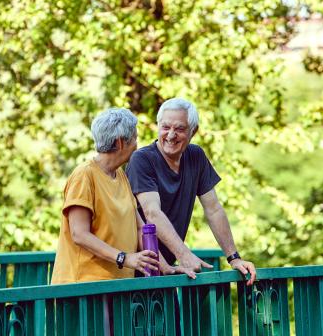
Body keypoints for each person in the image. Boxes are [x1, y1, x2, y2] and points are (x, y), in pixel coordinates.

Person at [126, 98, 257, 285]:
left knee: (174, 315)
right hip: (135, 273)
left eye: (179, 129)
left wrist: (234, 258)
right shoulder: (142, 160)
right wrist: (184, 254)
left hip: (167, 272)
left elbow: (213, 209)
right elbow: (152, 213)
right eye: (165, 127)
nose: (171, 135)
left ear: (193, 131)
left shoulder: (196, 157)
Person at [51, 107, 159, 284]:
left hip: (116, 285)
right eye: (135, 139)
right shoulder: (84, 175)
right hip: (85, 286)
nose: (137, 146)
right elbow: (79, 234)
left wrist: (162, 265)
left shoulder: (121, 175)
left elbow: (139, 228)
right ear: (120, 143)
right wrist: (124, 258)